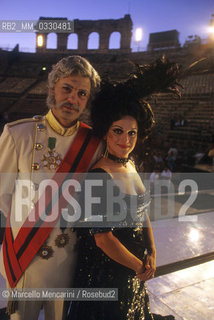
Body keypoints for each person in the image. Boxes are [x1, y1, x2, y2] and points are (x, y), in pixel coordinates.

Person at [68, 58, 179, 320]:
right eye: (118, 131)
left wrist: (151, 251)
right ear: (105, 132)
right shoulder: (97, 177)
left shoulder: (131, 165)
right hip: (105, 275)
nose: (125, 140)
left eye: (132, 133)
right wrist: (141, 266)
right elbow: (103, 239)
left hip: (133, 268)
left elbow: (143, 214)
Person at [0, 55, 102, 320]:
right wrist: (29, 226)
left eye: (81, 93)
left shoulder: (95, 145)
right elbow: (2, 193)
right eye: (67, 88)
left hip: (69, 258)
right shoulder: (17, 134)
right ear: (52, 90)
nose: (73, 98)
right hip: (27, 256)